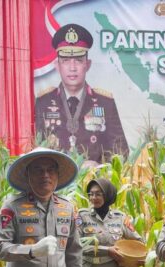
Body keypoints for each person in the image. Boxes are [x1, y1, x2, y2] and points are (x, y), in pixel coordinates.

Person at [34, 23, 128, 165]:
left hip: (94, 183)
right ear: (57, 65)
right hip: (58, 184)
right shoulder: (44, 102)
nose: (72, 68)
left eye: (78, 60)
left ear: (87, 64)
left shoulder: (104, 102)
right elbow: (37, 150)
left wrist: (100, 167)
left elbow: (121, 151)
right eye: (65, 61)